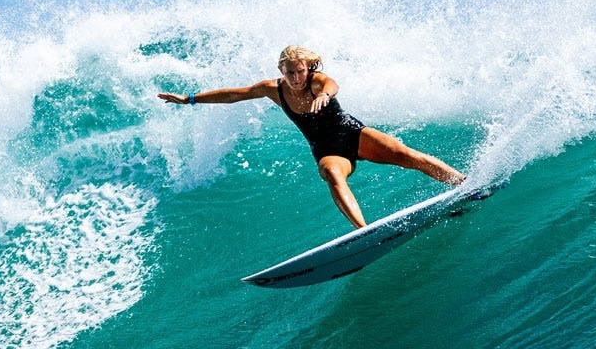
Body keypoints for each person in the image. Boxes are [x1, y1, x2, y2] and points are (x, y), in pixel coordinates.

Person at [158, 46, 465, 229]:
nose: (295, 78)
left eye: (300, 71)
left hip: (352, 133)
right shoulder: (272, 89)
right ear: (281, 70)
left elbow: (332, 84)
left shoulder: (318, 81)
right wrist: (189, 99)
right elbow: (234, 95)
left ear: (308, 68)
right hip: (327, 149)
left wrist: (324, 95)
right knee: (332, 173)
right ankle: (363, 231)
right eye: (289, 72)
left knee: (407, 156)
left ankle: (464, 184)